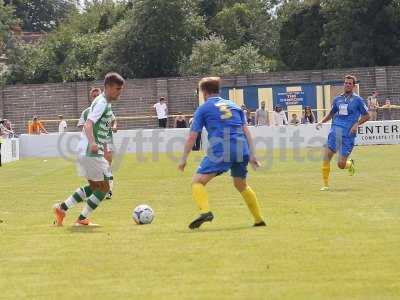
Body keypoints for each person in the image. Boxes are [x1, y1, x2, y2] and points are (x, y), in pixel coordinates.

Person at [178, 77, 266, 229]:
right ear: (218, 90)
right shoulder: (234, 105)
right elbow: (246, 130)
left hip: (221, 149)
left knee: (197, 182)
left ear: (204, 93)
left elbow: (193, 136)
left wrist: (183, 158)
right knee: (241, 184)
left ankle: (205, 212)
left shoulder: (204, 108)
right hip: (241, 148)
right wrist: (252, 154)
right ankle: (258, 219)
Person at [53, 72, 125, 226]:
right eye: (118, 89)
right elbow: (88, 124)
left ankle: (62, 208)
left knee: (94, 187)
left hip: (86, 150)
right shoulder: (102, 103)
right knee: (105, 187)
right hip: (90, 151)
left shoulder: (105, 103)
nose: (120, 92)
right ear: (108, 87)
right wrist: (93, 143)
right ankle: (81, 219)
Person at [316, 75, 370, 191]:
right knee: (326, 157)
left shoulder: (358, 100)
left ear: (353, 86)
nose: (347, 85)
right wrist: (321, 121)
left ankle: (350, 164)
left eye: (350, 83)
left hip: (348, 135)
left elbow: (367, 115)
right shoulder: (337, 99)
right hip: (335, 132)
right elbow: (331, 114)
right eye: (346, 83)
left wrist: (357, 124)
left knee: (341, 165)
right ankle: (325, 185)